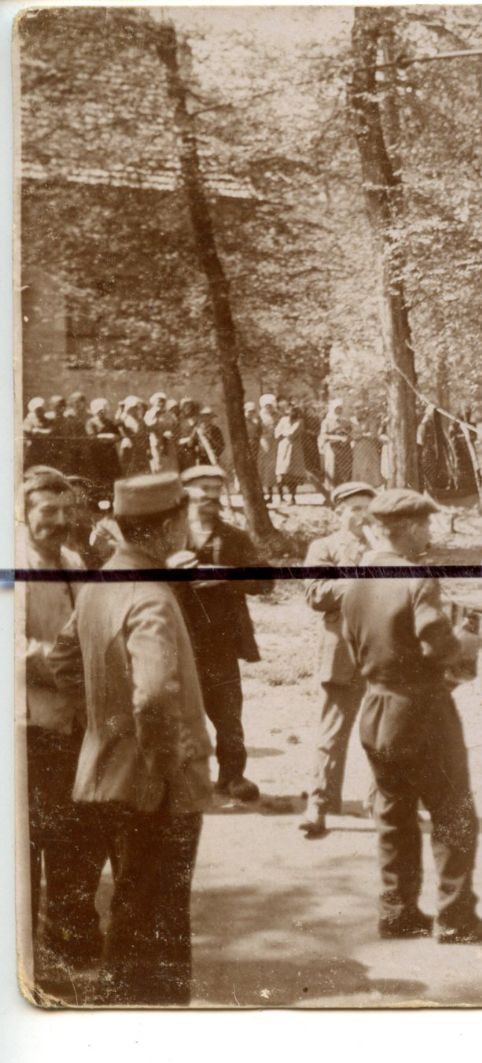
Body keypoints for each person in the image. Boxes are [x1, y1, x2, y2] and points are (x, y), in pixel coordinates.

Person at [46, 472, 214, 1005]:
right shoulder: (150, 596)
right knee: (157, 918)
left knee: (132, 908)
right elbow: (155, 698)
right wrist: (162, 768)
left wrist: (107, 718)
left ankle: (124, 1012)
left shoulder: (102, 585)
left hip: (106, 772)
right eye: (183, 520)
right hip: (155, 784)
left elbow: (62, 662)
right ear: (166, 528)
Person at [340, 488, 482, 943]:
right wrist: (465, 646)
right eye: (426, 526)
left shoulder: (357, 578)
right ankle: (455, 917)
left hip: (374, 707)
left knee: (394, 813)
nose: (429, 534)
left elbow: (354, 643)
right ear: (409, 528)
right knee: (453, 812)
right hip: (422, 710)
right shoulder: (418, 579)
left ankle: (398, 912)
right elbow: (435, 643)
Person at [19, 467, 106, 998]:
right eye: (44, 511)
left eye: (63, 509)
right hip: (29, 725)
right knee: (25, 844)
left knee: (77, 838)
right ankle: (24, 960)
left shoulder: (73, 562)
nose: (56, 520)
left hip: (76, 726)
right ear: (23, 512)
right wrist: (69, 669)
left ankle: (72, 941)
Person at [173, 464, 273, 802]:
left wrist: (227, 576)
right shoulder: (166, 537)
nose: (212, 495)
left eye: (217, 488)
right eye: (204, 488)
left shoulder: (234, 537)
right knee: (177, 713)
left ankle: (233, 777)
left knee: (228, 714)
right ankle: (180, 781)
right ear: (184, 492)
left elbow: (265, 581)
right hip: (174, 639)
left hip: (221, 642)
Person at [298, 480, 378, 837]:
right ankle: (319, 803)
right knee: (331, 730)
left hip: (381, 650)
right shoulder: (324, 546)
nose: (362, 516)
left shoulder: (384, 547)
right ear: (337, 512)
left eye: (367, 509)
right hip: (342, 651)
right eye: (354, 509)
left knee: (384, 731)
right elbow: (316, 593)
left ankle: (382, 804)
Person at [274, 400, 306, 504]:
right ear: (287, 411)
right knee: (281, 473)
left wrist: (283, 432)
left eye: (294, 411)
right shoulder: (283, 420)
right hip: (283, 449)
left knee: (293, 475)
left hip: (294, 450)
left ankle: (292, 497)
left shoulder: (299, 421)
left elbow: (292, 434)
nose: (292, 413)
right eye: (290, 411)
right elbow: (276, 433)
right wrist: (282, 433)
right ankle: (280, 497)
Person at [319, 399, 354, 491]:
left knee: (344, 470)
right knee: (332, 469)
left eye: (340, 408)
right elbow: (324, 435)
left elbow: (351, 433)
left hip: (344, 449)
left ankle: (344, 491)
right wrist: (338, 438)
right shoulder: (326, 421)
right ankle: (331, 491)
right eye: (337, 408)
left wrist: (347, 439)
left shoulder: (345, 421)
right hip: (332, 448)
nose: (339, 410)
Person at [116, 397, 149, 478]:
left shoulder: (140, 420)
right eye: (133, 408)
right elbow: (119, 427)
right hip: (130, 446)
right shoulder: (124, 419)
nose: (135, 410)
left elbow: (145, 433)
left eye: (136, 408)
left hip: (141, 446)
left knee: (141, 467)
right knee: (129, 466)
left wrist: (147, 446)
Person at [256, 395, 279, 502]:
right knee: (266, 468)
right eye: (266, 405)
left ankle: (281, 494)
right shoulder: (260, 416)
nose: (269, 407)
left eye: (270, 405)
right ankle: (268, 494)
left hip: (276, 442)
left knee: (277, 467)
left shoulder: (277, 415)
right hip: (265, 442)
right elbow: (257, 430)